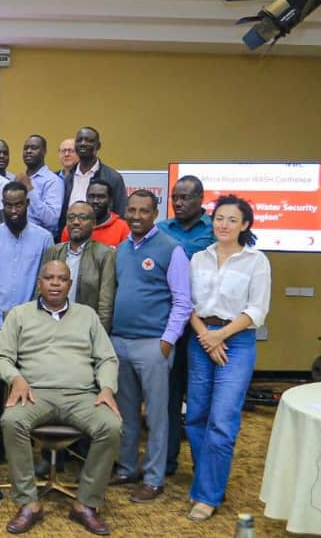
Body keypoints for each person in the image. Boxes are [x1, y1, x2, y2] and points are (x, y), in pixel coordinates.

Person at [0, 260, 121, 536]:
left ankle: (86, 503)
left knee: (111, 426)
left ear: (69, 285)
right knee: (11, 421)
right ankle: (28, 503)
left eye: (61, 279)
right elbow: (0, 357)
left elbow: (107, 358)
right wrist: (16, 379)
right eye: (49, 278)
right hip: (35, 394)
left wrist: (107, 388)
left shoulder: (87, 316)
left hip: (82, 395)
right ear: (39, 282)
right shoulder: (19, 314)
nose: (55, 283)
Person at [184, 195, 270, 522]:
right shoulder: (199, 258)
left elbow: (257, 309)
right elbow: (187, 303)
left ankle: (207, 495)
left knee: (222, 419)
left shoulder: (256, 261)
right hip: (200, 338)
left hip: (237, 341)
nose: (224, 224)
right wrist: (206, 336)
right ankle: (207, 477)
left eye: (232, 220)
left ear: (244, 225)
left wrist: (219, 336)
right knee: (196, 416)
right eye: (219, 218)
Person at [109, 190, 191, 504]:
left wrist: (167, 342)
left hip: (153, 345)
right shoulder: (122, 249)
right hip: (120, 342)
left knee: (156, 416)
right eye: (132, 210)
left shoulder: (172, 249)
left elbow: (182, 302)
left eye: (144, 211)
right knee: (126, 413)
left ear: (155, 214)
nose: (137, 216)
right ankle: (128, 467)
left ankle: (154, 478)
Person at [0, 181, 53, 466]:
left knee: (33, 388)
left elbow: (44, 283)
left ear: (27, 204)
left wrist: (27, 320)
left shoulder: (44, 238)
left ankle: (31, 450)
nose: (13, 210)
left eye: (18, 204)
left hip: (33, 327)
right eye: (8, 205)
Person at [159, 174, 215, 477]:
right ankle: (167, 461)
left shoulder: (214, 229)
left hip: (203, 326)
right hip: (169, 324)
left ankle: (202, 465)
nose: (178, 203)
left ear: (201, 199)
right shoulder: (161, 229)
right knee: (168, 396)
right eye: (175, 198)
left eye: (185, 197)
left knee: (200, 399)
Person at [41, 201, 116, 332]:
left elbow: (106, 304)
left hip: (85, 328)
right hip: (51, 326)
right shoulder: (53, 252)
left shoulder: (105, 255)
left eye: (83, 217)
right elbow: (41, 292)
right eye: (71, 217)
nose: (76, 222)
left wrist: (99, 335)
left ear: (93, 223)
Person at [61, 127, 127, 226]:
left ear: (98, 146)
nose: (83, 143)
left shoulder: (113, 178)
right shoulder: (66, 177)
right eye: (79, 140)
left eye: (89, 140)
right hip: (70, 233)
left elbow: (121, 213)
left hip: (102, 232)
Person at [60, 179, 130, 247]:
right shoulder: (72, 227)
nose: (95, 201)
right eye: (91, 196)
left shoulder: (123, 228)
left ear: (110, 200)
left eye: (101, 197)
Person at [17, 135, 64, 237]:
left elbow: (51, 220)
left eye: (34, 148)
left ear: (44, 152)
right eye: (26, 148)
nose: (28, 151)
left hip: (39, 240)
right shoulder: (19, 179)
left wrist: (30, 191)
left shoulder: (53, 181)